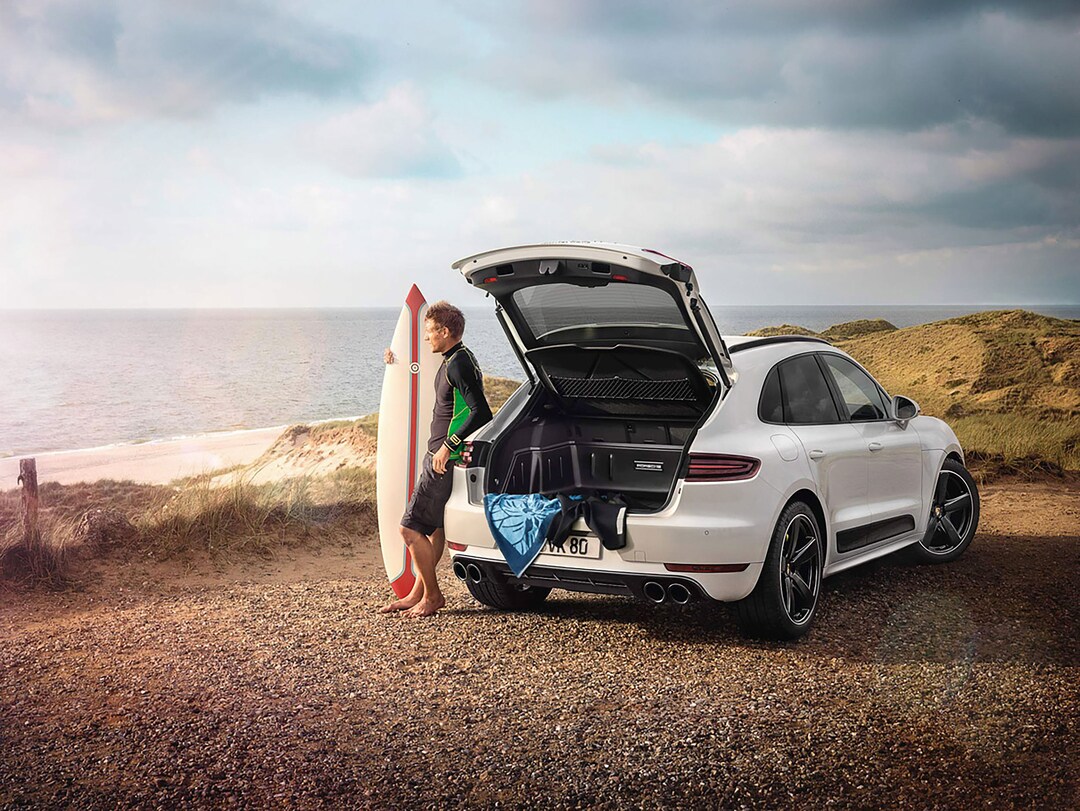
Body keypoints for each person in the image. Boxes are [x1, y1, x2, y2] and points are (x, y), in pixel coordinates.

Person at [380, 301, 493, 618]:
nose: (426, 337)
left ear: (445, 331)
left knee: (409, 529)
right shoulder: (457, 358)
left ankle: (432, 596)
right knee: (435, 531)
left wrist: (447, 446)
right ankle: (419, 593)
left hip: (443, 459)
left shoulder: (458, 364)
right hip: (442, 456)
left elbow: (480, 412)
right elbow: (417, 373)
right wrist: (394, 361)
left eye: (430, 331)